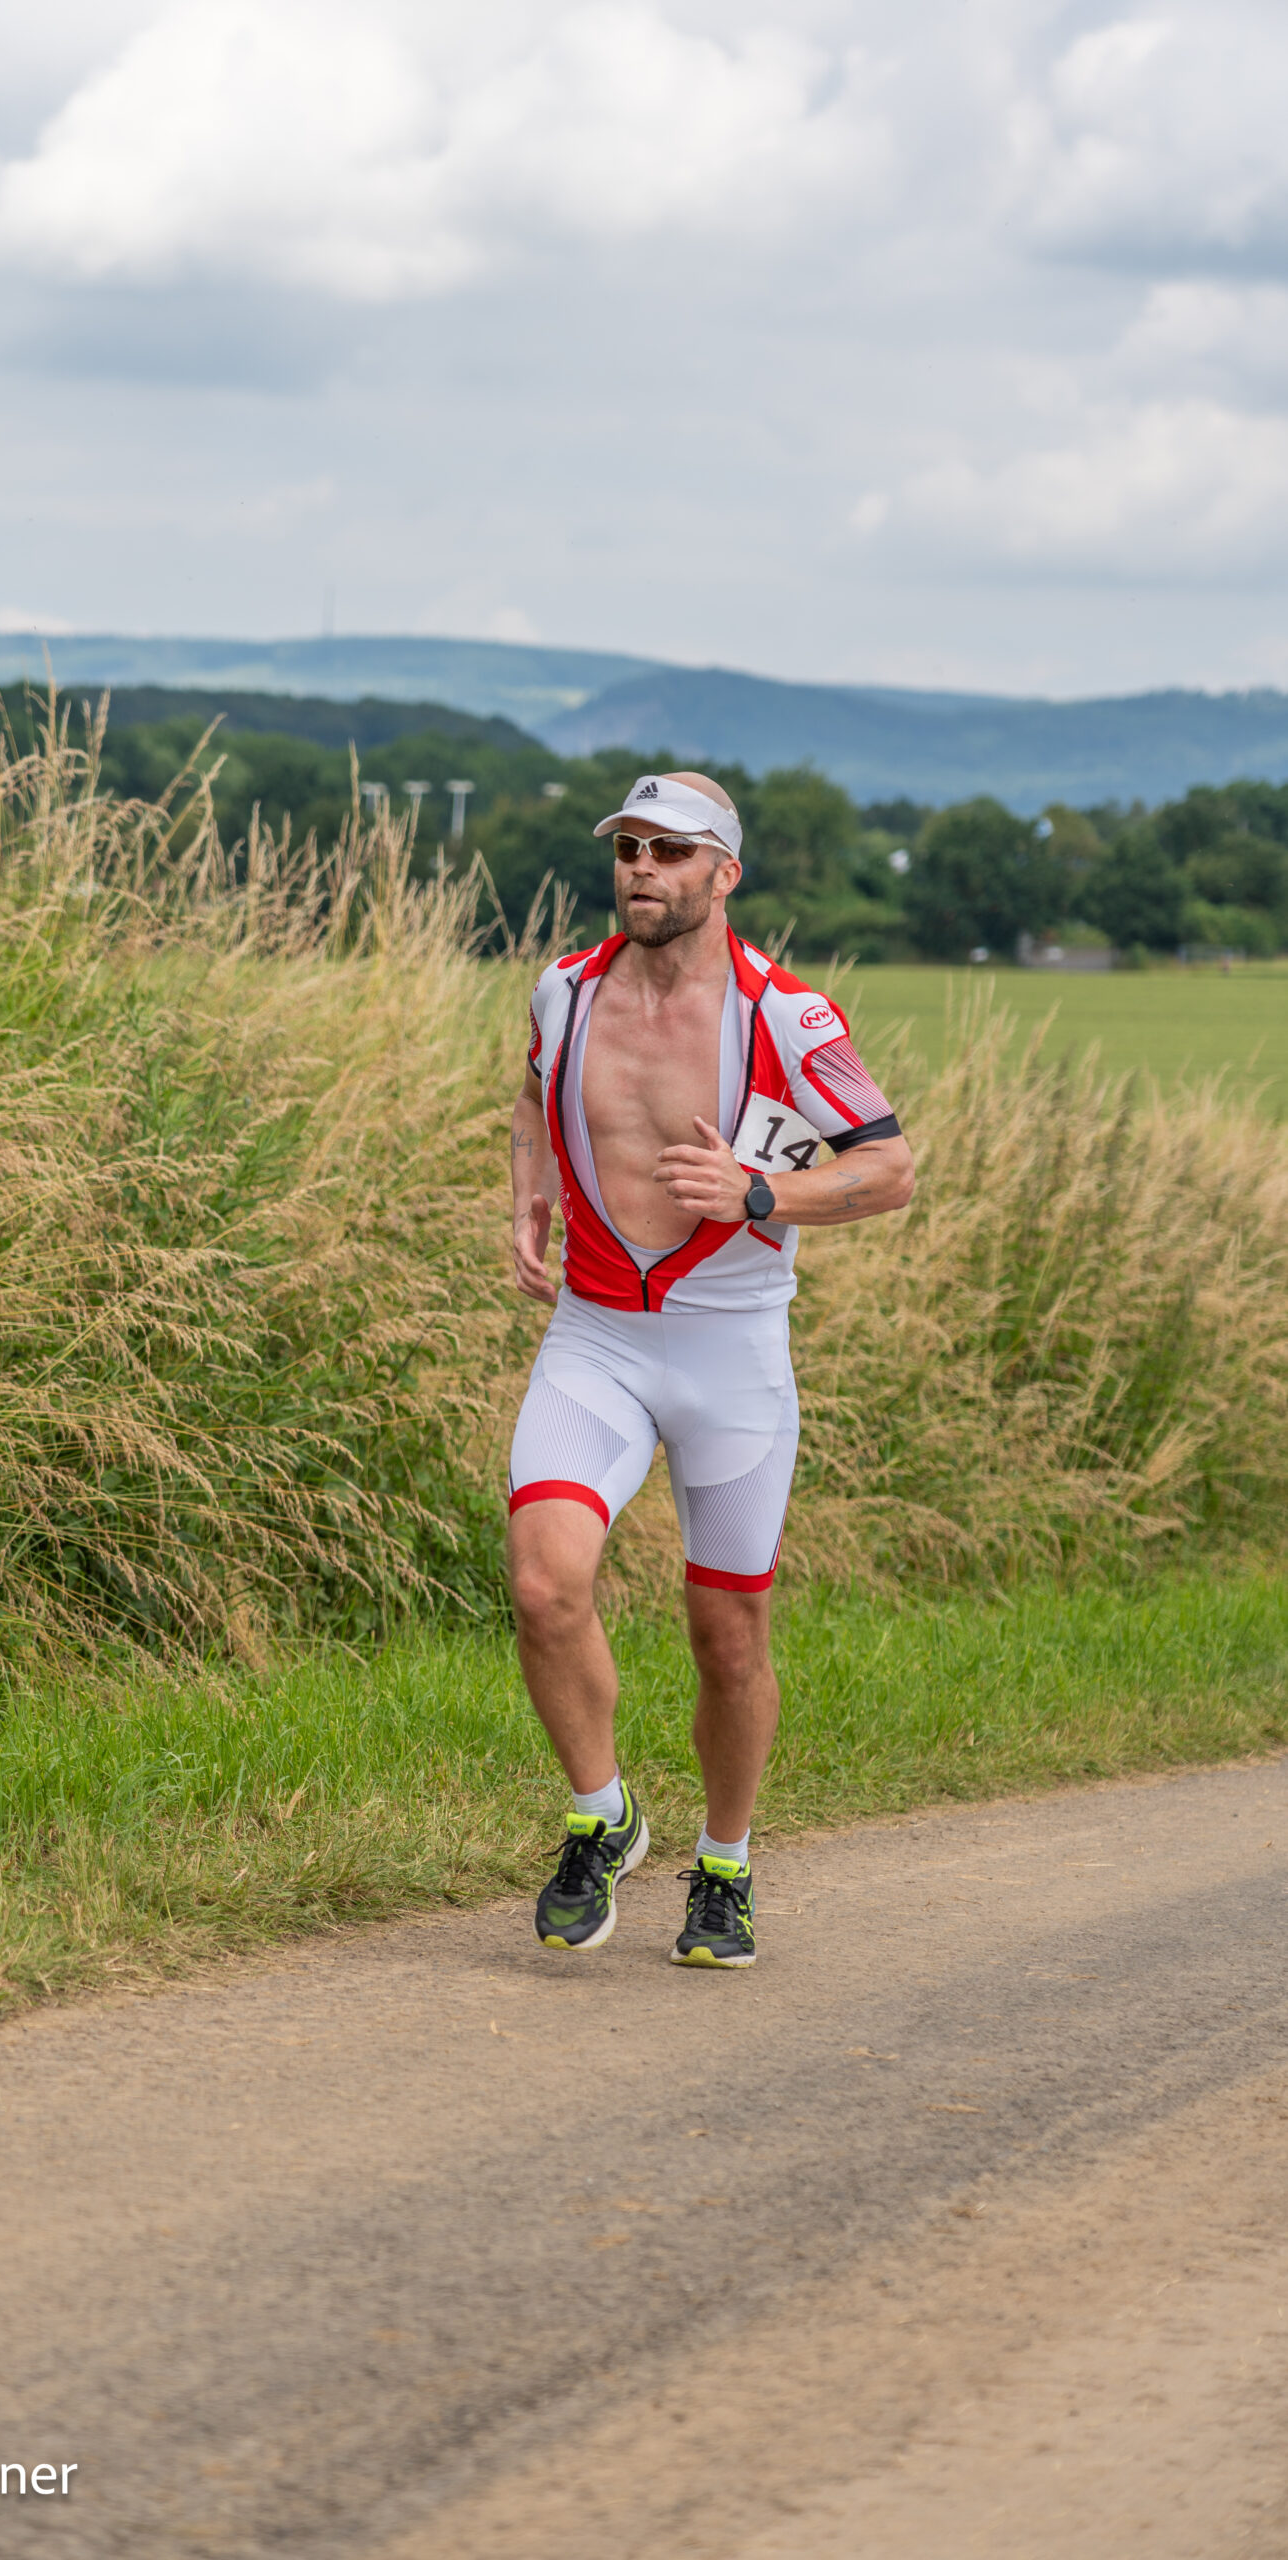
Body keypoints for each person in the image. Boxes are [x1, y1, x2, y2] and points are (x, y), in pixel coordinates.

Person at [509, 771, 914, 1967]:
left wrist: (761, 1192)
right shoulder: (563, 990)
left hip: (730, 1348)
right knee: (543, 1584)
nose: (643, 866)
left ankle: (725, 1864)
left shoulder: (787, 1016)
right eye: (629, 846)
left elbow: (889, 1170)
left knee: (727, 1636)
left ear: (725, 873)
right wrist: (529, 1188)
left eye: (672, 850)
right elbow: (531, 1093)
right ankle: (602, 1817)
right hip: (596, 1334)